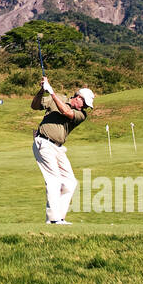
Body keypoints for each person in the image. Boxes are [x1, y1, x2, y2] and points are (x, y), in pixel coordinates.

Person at [31, 78, 95, 224]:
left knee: (70, 182)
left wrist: (51, 91)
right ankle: (53, 219)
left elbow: (65, 111)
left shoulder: (81, 114)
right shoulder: (58, 98)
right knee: (54, 180)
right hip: (43, 142)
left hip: (58, 148)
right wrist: (42, 90)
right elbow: (35, 106)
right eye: (84, 103)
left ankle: (59, 217)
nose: (84, 107)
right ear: (78, 97)